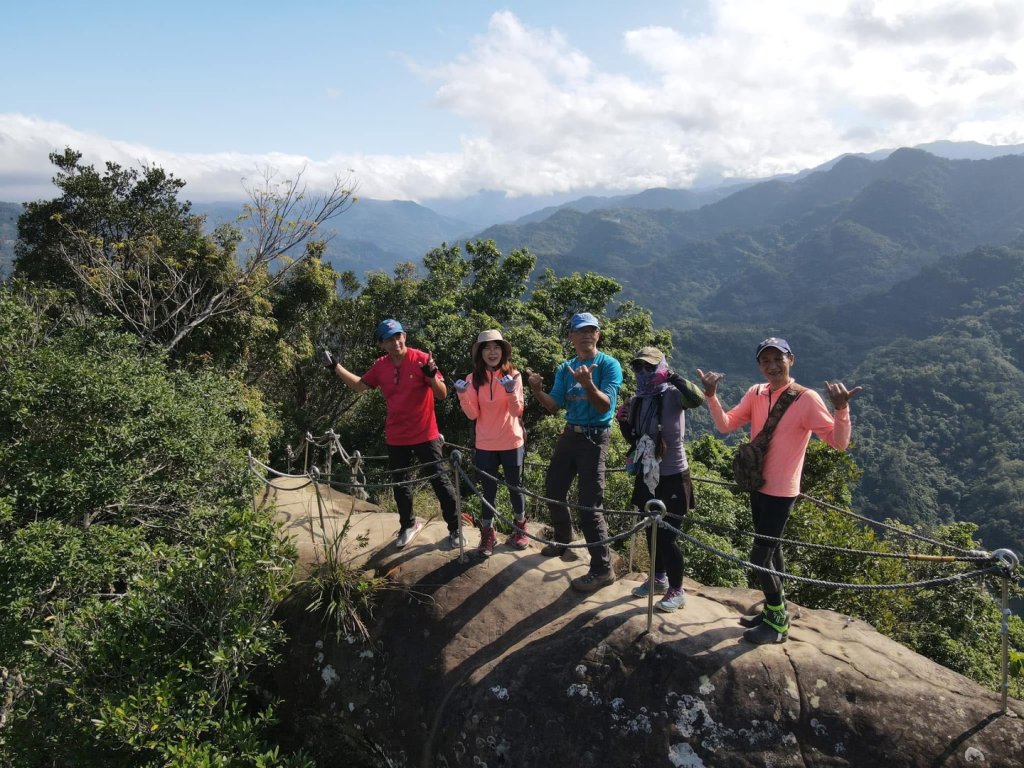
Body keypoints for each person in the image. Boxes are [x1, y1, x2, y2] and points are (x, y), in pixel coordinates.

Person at [698, 337, 861, 644]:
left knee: (760, 557)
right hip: (757, 484)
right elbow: (726, 425)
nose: (772, 366)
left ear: (791, 360)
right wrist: (711, 396)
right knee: (773, 552)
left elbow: (839, 443)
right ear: (759, 365)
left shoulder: (806, 399)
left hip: (782, 490)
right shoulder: (756, 393)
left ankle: (777, 623)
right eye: (765, 361)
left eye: (778, 359)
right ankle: (777, 609)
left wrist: (842, 409)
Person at [321, 319, 463, 550]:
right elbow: (359, 385)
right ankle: (408, 525)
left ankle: (455, 529)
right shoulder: (381, 366)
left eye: (398, 336)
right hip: (397, 435)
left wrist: (431, 376)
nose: (396, 342)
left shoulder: (421, 359)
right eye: (389, 338)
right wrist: (335, 366)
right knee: (400, 483)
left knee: (440, 480)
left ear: (405, 336)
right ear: (382, 343)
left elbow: (442, 394)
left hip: (426, 432)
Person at [527, 312, 623, 593]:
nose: (586, 335)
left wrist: (588, 384)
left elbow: (606, 406)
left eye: (591, 330)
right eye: (580, 331)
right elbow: (554, 405)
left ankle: (602, 569)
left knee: (589, 506)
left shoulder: (609, 365)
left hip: (595, 438)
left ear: (598, 335)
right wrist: (536, 390)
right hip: (570, 434)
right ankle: (562, 539)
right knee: (554, 489)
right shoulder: (565, 367)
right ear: (571, 337)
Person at [616, 346, 704, 613]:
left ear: (662, 366)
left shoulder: (674, 395)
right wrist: (622, 422)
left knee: (667, 536)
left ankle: (677, 590)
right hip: (647, 474)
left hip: (674, 474)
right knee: (650, 531)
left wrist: (672, 376)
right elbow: (635, 440)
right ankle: (658, 579)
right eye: (640, 368)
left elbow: (697, 398)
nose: (645, 373)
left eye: (651, 367)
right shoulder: (638, 400)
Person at [454, 329, 527, 557]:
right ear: (480, 353)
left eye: (496, 348)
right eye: (487, 348)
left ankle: (520, 528)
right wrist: (462, 395)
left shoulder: (514, 376)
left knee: (515, 488)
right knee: (488, 491)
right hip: (485, 443)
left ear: (503, 351)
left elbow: (516, 411)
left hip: (511, 441)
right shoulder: (472, 379)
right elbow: (473, 414)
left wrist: (510, 392)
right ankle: (488, 533)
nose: (492, 352)